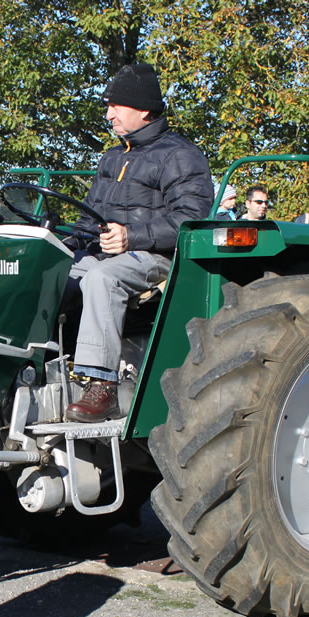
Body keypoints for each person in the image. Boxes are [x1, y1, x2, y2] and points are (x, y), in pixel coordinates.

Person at [64, 63, 213, 422]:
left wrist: (131, 237)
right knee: (53, 270)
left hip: (157, 257)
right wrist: (59, 243)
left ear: (144, 109)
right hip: (111, 255)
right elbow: (90, 219)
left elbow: (190, 221)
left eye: (116, 106)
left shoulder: (181, 156)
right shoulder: (113, 157)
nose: (108, 114)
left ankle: (102, 388)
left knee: (102, 279)